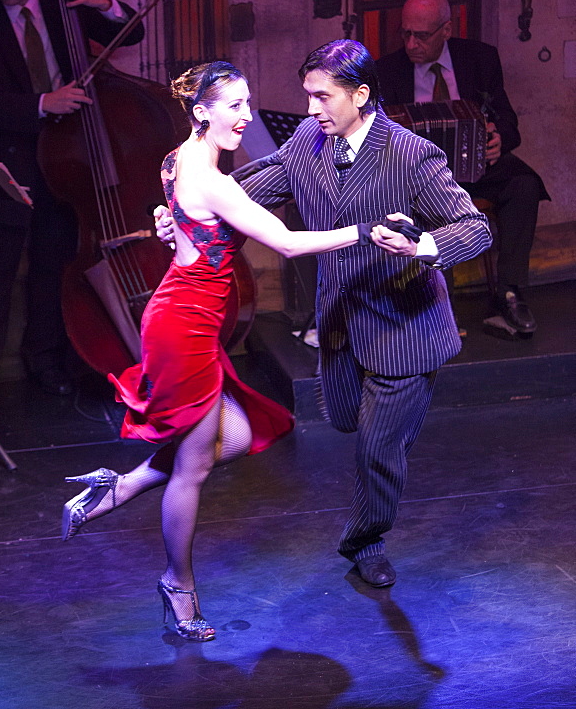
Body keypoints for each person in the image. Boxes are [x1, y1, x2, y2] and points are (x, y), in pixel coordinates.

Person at [62, 59, 413, 640]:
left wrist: (170, 222)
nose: (245, 118)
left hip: (191, 318)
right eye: (233, 107)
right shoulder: (211, 179)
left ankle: (119, 486)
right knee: (194, 468)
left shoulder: (177, 161)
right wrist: (367, 230)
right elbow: (288, 242)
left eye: (248, 105)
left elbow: (180, 218)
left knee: (240, 436)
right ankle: (179, 588)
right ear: (201, 112)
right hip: (183, 325)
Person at [156, 41, 491, 589]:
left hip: (403, 328)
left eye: (322, 97)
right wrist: (188, 213)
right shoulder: (311, 139)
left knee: (377, 448)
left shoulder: (410, 153)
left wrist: (421, 245)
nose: (310, 109)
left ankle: (366, 541)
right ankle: (377, 474)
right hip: (339, 325)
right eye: (307, 95)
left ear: (360, 95)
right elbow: (243, 188)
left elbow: (474, 228)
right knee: (348, 424)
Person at [0, 0, 144, 397]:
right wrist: (43, 103)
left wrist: (103, 1)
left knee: (52, 267)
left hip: (68, 162)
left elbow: (132, 32)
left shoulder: (64, 5)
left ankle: (47, 365)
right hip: (10, 166)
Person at [375, 0, 549, 337]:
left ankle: (510, 293)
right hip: (424, 177)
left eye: (421, 36)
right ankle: (440, 305)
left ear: (446, 30)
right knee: (416, 201)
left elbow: (508, 120)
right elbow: (378, 134)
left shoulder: (480, 59)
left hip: (476, 167)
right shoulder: (387, 71)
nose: (411, 44)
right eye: (405, 33)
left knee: (524, 185)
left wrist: (500, 139)